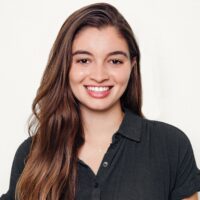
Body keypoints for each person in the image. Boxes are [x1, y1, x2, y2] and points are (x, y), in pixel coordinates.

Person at [1, 2, 200, 200]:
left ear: (132, 65)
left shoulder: (170, 146)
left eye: (114, 61)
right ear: (65, 66)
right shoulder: (32, 153)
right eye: (84, 60)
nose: (99, 75)